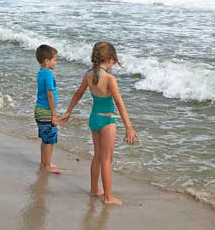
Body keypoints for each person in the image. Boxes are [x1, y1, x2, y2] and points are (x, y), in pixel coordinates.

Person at [61, 42, 138, 204]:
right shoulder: (110, 78)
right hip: (107, 120)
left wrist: (69, 111)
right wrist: (129, 127)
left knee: (97, 156)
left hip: (94, 118)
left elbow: (78, 93)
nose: (113, 65)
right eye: (113, 61)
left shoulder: (88, 75)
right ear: (109, 59)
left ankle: (94, 190)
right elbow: (119, 104)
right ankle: (108, 197)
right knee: (106, 159)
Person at [34, 44, 64, 174]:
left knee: (45, 139)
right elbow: (50, 94)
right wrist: (54, 114)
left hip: (39, 109)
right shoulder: (48, 75)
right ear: (47, 61)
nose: (55, 62)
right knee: (50, 139)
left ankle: (44, 162)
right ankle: (47, 165)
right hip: (46, 110)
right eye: (54, 59)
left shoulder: (41, 73)